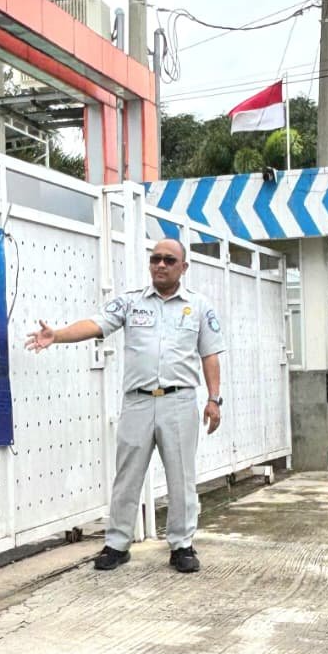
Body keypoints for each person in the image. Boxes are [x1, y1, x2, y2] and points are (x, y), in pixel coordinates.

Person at [25, 238, 224, 574]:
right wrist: (56, 335)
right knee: (127, 476)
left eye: (169, 260)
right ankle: (117, 544)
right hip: (138, 403)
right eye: (156, 259)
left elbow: (210, 354)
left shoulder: (200, 307)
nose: (161, 265)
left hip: (179, 401)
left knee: (182, 477)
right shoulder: (131, 303)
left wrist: (214, 399)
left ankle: (182, 545)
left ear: (183, 268)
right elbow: (96, 323)